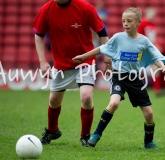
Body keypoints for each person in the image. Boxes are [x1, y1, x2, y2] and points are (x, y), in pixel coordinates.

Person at [73, 7, 165, 149]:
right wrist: (83, 56)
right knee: (114, 104)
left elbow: (155, 56)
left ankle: (148, 142)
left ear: (138, 23)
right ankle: (96, 135)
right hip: (119, 76)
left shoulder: (144, 41)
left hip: (136, 80)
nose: (125, 23)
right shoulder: (118, 37)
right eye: (123, 21)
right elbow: (102, 48)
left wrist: (163, 67)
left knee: (149, 113)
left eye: (129, 21)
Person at [32, 0, 110, 146]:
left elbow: (102, 33)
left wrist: (107, 60)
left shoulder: (85, 7)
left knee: (86, 97)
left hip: (85, 61)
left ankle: (85, 135)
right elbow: (38, 35)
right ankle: (52, 130)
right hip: (61, 64)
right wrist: (43, 62)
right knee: (54, 100)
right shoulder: (47, 9)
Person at [137, 7, 165, 96]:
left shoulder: (152, 24)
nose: (154, 16)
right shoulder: (142, 23)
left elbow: (152, 39)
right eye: (153, 14)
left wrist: (157, 45)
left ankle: (157, 90)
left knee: (156, 68)